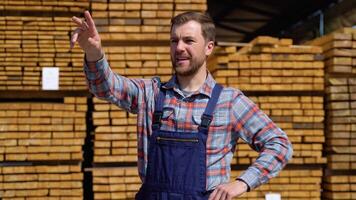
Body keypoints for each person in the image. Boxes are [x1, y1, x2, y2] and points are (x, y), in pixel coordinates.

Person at [71, 10, 293, 200]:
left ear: (209, 47)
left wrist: (243, 183)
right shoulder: (151, 92)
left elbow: (279, 144)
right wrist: (93, 52)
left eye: (188, 40)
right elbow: (105, 87)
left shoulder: (229, 102)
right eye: (174, 40)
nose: (179, 48)